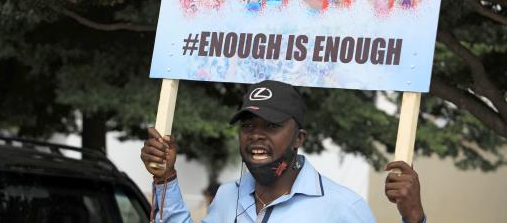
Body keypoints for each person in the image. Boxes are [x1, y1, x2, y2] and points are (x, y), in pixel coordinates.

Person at [141, 80, 426, 222]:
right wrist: (165, 178)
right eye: (248, 126)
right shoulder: (228, 196)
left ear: (298, 138)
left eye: (272, 125)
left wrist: (413, 217)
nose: (256, 136)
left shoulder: (342, 208)